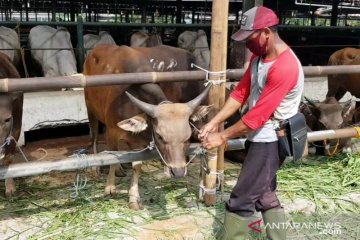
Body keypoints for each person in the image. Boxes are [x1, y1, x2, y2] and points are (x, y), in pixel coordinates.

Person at [198, 6, 304, 240]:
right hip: (259, 136)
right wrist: (214, 122)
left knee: (241, 199)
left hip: (271, 140)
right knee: (265, 194)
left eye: (249, 37)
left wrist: (222, 136)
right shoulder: (259, 58)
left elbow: (257, 117)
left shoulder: (285, 67)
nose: (245, 44)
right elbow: (240, 93)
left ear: (266, 32)